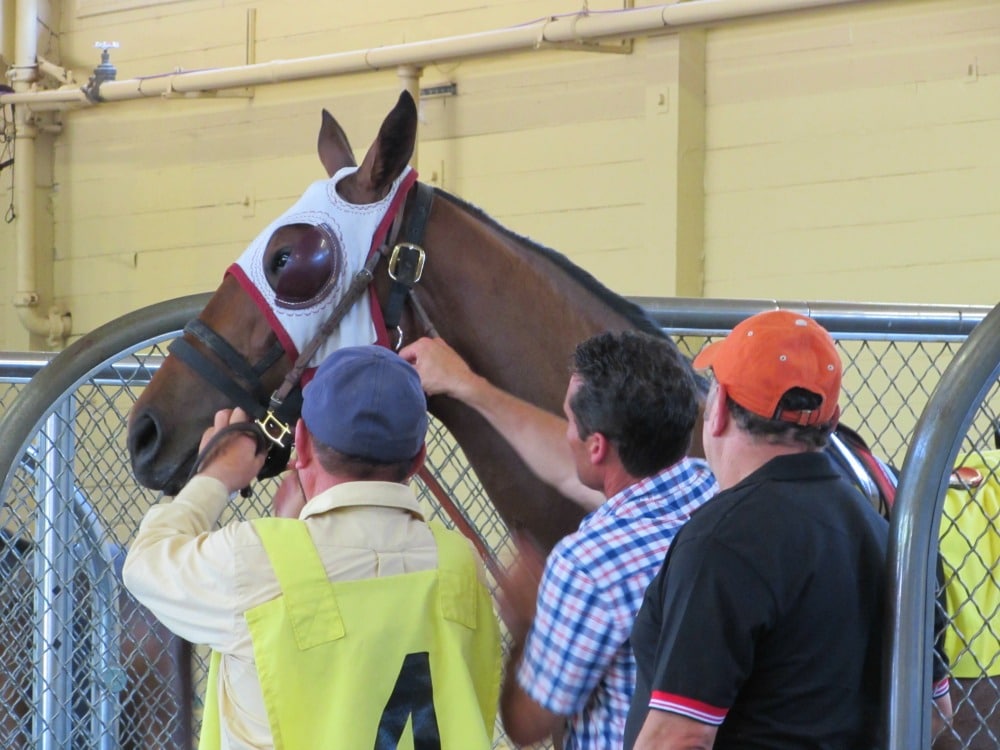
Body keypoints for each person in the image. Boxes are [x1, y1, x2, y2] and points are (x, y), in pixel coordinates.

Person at [123, 345, 501, 750]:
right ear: (417, 459)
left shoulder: (256, 560)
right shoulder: (459, 563)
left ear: (300, 444)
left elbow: (145, 562)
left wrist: (214, 477)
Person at [624, 310, 951, 749]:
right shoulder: (894, 535)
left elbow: (678, 738)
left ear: (717, 407)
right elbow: (934, 716)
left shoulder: (721, 542)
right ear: (831, 423)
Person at [400, 331, 718, 749]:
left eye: (569, 421)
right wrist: (468, 386)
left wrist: (528, 623)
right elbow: (574, 468)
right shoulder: (711, 488)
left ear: (598, 447)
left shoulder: (587, 565)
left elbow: (525, 724)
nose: (565, 433)